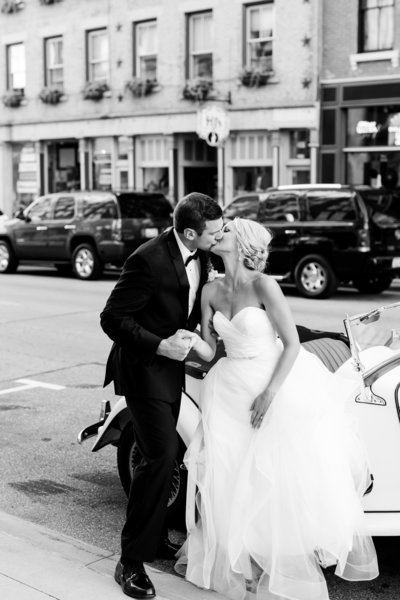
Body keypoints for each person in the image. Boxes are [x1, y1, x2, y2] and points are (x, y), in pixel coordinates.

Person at [175, 217, 379, 600]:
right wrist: (181, 341)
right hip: (227, 390)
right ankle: (243, 568)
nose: (220, 234)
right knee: (231, 474)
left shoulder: (264, 285)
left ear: (244, 242)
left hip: (272, 385)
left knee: (272, 476)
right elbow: (209, 350)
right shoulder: (209, 291)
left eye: (228, 230)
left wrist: (269, 394)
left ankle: (275, 562)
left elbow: (292, 344)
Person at [100, 192, 223, 599]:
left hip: (170, 373)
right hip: (142, 369)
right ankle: (130, 561)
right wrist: (159, 345)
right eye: (213, 232)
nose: (218, 236)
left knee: (166, 455)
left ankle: (152, 540)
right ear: (191, 232)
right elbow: (113, 318)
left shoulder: (202, 254)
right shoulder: (147, 258)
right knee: (161, 456)